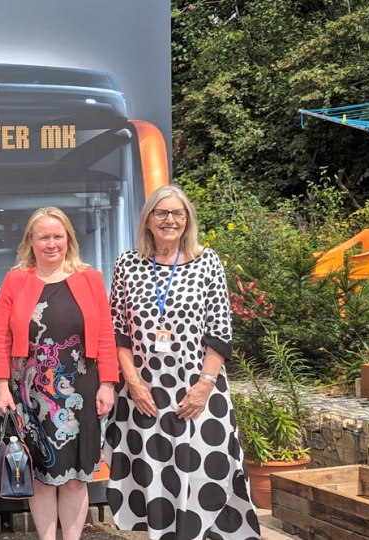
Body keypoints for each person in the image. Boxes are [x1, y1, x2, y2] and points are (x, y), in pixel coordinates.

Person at [105, 185, 260, 540]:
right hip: (145, 392)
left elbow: (220, 331)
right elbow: (117, 332)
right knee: (156, 474)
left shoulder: (208, 261)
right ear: (148, 220)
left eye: (177, 213)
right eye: (161, 213)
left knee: (207, 471)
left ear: (187, 220)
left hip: (198, 388)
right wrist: (133, 382)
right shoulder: (127, 263)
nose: (169, 220)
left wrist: (205, 384)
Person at [0, 207, 119, 540]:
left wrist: (107, 383)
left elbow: (105, 334)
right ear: (30, 241)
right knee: (40, 476)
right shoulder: (15, 280)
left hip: (81, 388)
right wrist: (1, 387)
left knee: (77, 478)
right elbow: (0, 337)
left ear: (68, 240)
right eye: (43, 237)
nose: (51, 244)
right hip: (29, 393)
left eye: (57, 236)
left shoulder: (90, 278)